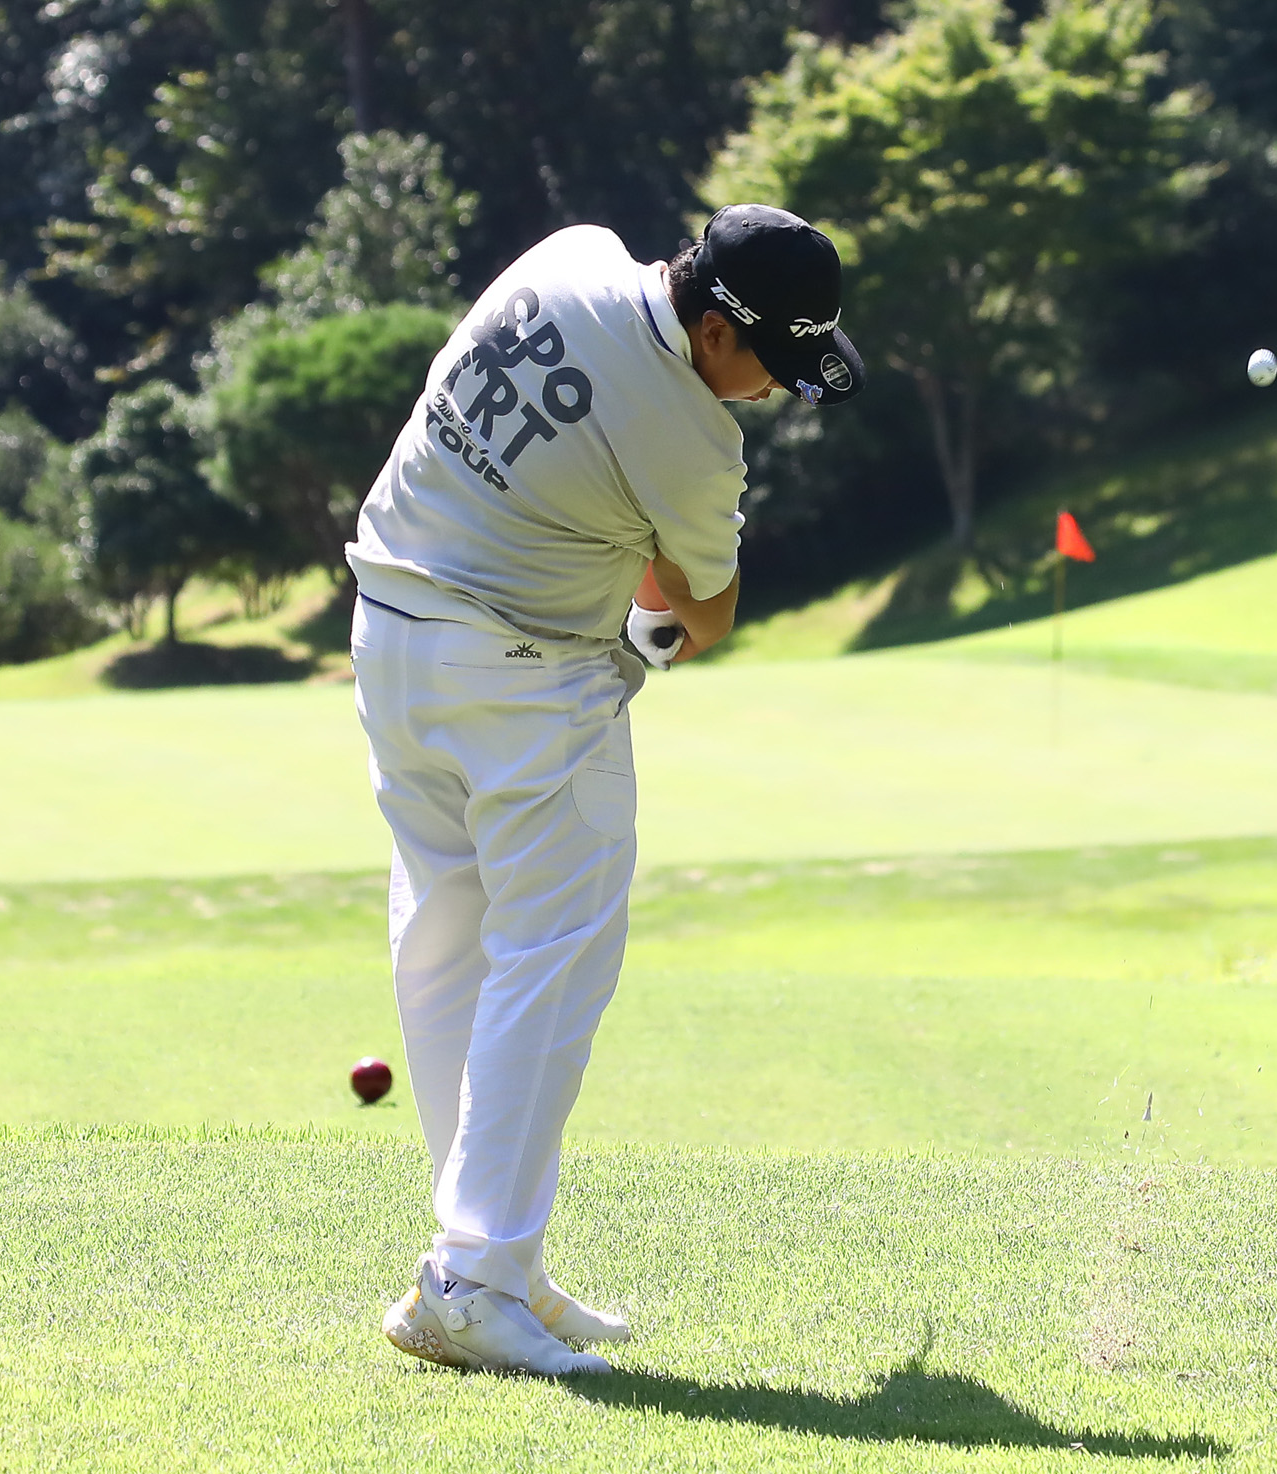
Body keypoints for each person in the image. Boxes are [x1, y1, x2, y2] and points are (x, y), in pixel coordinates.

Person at [350, 204, 864, 1376]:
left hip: (389, 630)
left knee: (446, 942)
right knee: (552, 958)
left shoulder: (568, 253)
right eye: (774, 366)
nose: (777, 392)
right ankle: (473, 1275)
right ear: (720, 330)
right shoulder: (690, 432)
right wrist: (641, 592)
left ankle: (494, 1254)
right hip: (522, 677)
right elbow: (706, 611)